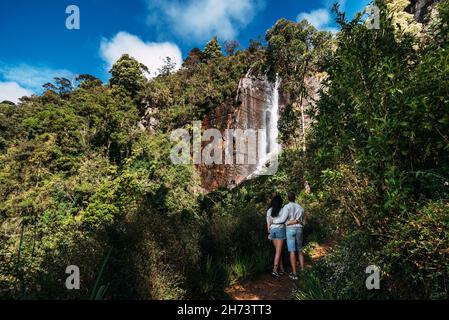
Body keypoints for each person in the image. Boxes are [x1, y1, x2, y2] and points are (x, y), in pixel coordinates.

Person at [272, 192, 305, 280]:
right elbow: (303, 222)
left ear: (288, 198)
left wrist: (274, 221)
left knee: (292, 251)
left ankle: (294, 273)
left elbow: (283, 219)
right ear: (295, 198)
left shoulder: (286, 207)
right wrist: (297, 221)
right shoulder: (300, 207)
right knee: (300, 250)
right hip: (299, 229)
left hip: (290, 229)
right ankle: (303, 270)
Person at [266, 195, 286, 277]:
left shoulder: (269, 210)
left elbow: (268, 223)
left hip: (272, 231)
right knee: (278, 251)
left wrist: (269, 233)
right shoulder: (282, 210)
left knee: (278, 251)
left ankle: (282, 269)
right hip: (280, 230)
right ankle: (274, 270)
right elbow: (285, 222)